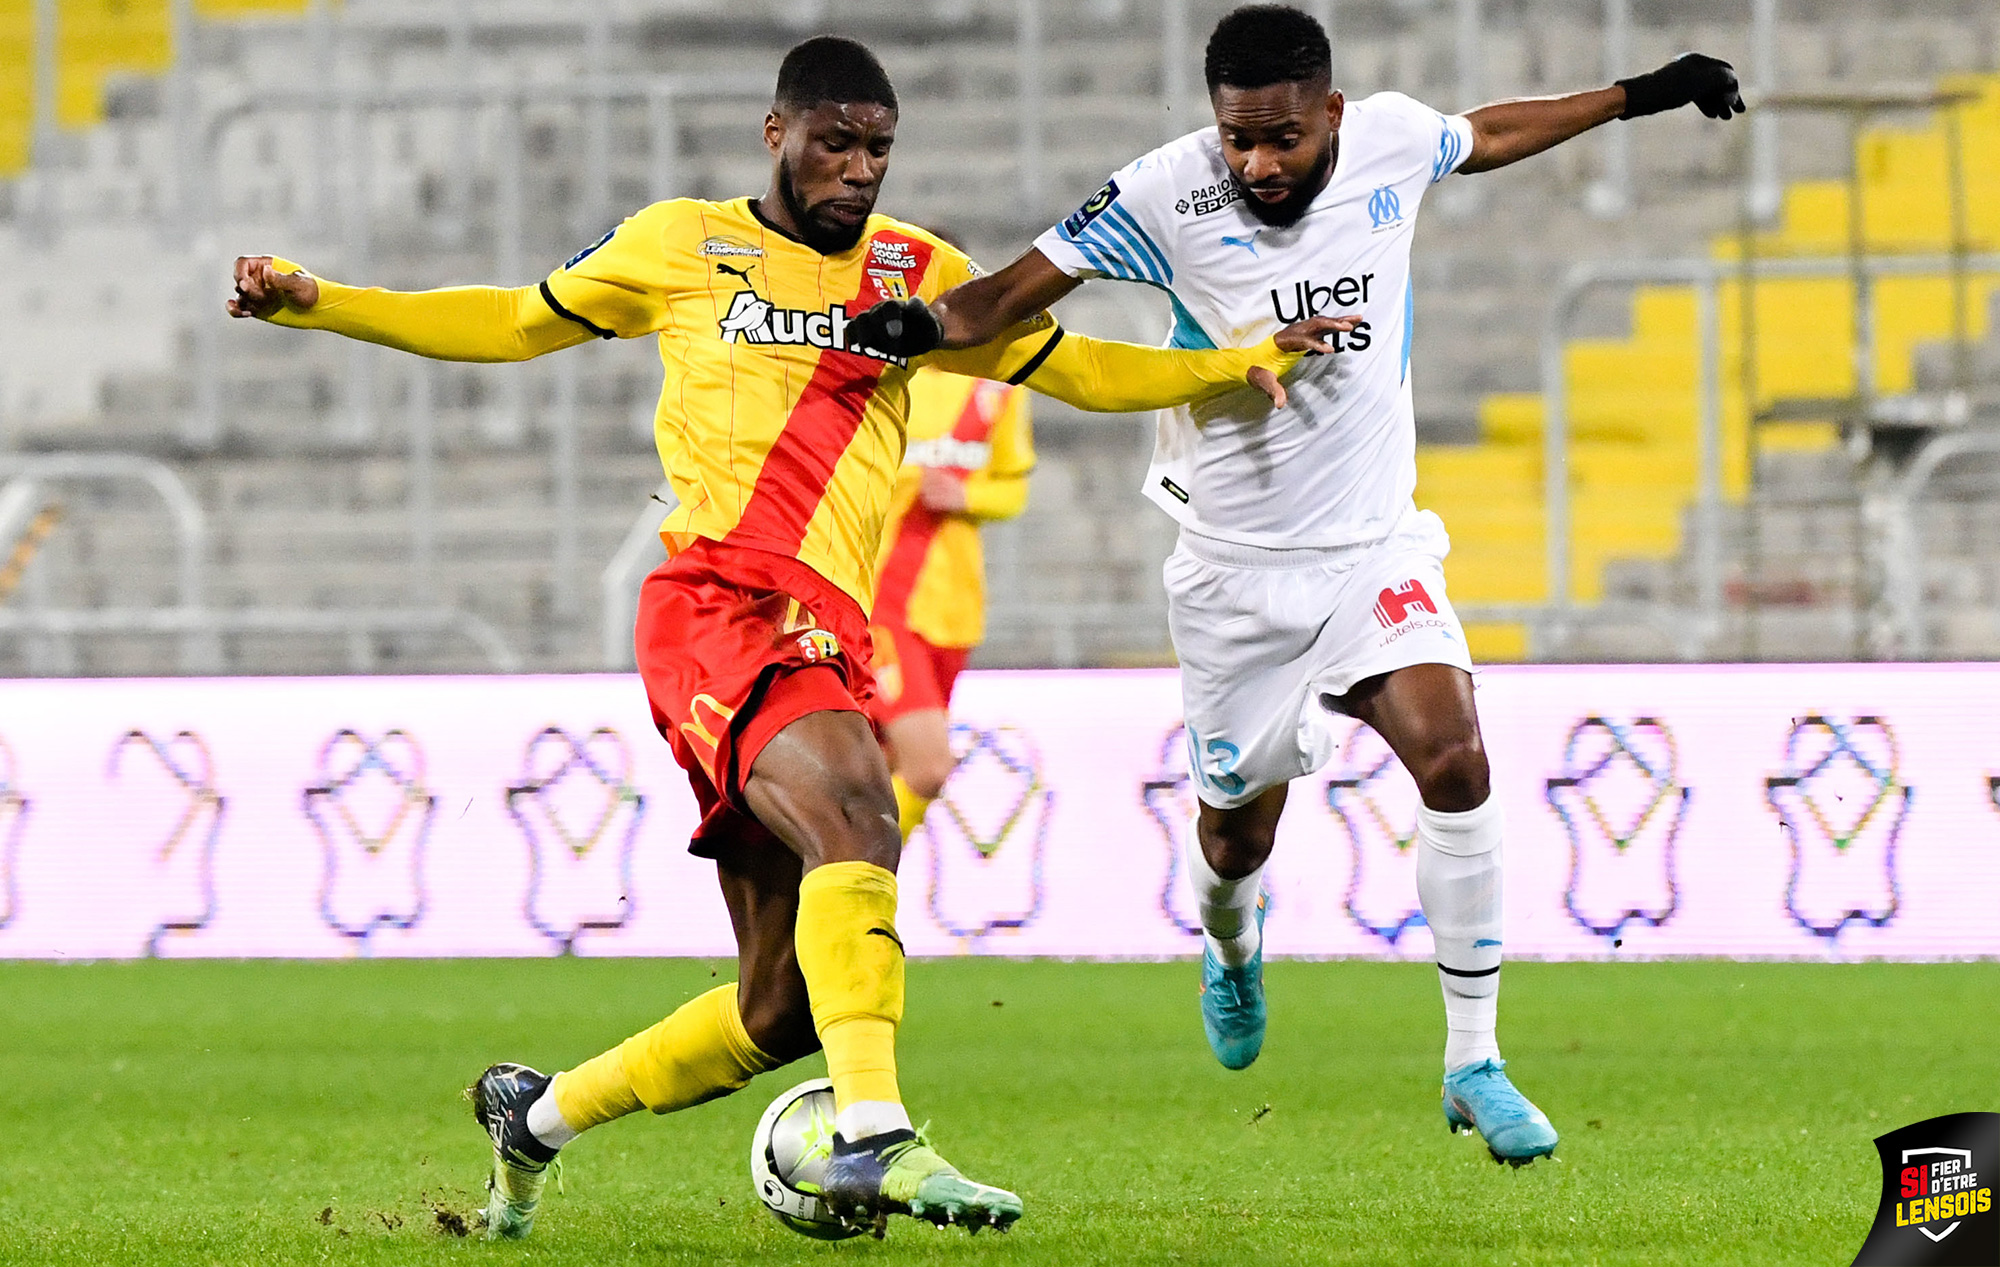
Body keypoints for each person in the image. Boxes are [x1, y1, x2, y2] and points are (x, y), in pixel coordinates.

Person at [226, 35, 1345, 1237]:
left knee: (781, 1009)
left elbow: (1070, 369)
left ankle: (536, 1116)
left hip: (829, 635)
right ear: (777, 134)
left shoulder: (917, 271)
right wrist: (319, 304)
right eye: (835, 143)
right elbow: (507, 320)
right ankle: (875, 1135)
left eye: (876, 148)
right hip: (716, 606)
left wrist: (1231, 367)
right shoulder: (679, 245)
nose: (857, 170)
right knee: (862, 814)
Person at [858, 4, 1744, 1165]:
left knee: (1456, 755)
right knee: (1232, 834)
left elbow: (1488, 131)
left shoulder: (1386, 140)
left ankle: (1471, 1060)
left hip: (1374, 547)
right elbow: (1007, 294)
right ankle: (1230, 951)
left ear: (1328, 112)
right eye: (1236, 139)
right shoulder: (1162, 193)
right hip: (1232, 572)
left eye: (1279, 139)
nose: (1255, 165)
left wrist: (1642, 89)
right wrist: (912, 326)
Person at [870, 364, 1034, 840]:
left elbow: (1014, 492)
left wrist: (966, 493)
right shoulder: (886, 378)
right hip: (885, 603)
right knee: (929, 768)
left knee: (885, 766)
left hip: (955, 609)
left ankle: (839, 894)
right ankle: (860, 878)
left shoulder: (999, 388)